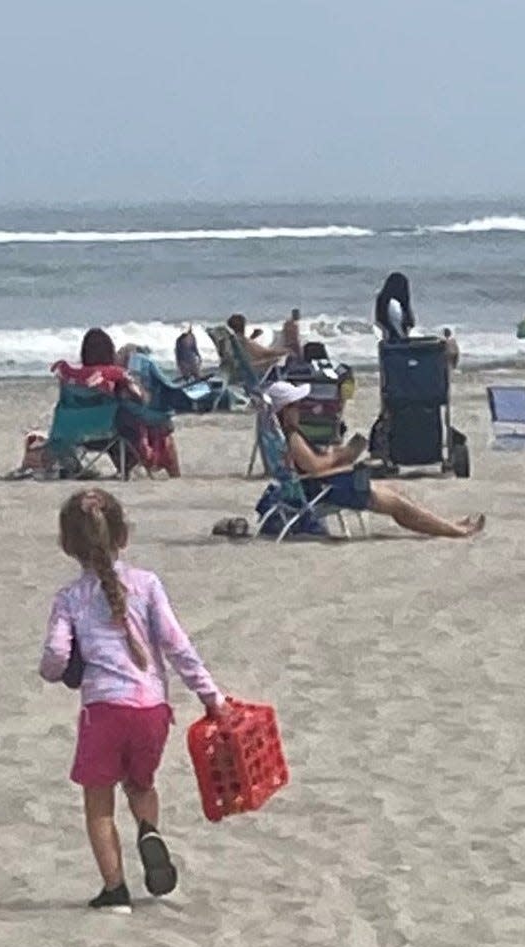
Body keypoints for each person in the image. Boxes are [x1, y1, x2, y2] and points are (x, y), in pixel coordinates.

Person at [39, 489, 228, 912]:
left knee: (98, 802)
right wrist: (211, 697)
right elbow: (178, 646)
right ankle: (148, 829)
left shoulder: (70, 599)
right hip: (153, 711)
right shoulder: (148, 585)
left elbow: (55, 656)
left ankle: (115, 890)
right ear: (123, 536)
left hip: (104, 711)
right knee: (141, 784)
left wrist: (53, 672)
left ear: (68, 545)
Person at [268, 381, 484, 538]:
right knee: (398, 504)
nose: (300, 409)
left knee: (397, 493)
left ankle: (448, 525)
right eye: (295, 405)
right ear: (285, 411)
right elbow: (314, 468)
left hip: (321, 485)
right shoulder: (293, 438)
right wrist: (341, 457)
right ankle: (454, 531)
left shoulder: (284, 436)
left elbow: (307, 467)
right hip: (326, 489)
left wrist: (340, 457)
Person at [52, 328, 181, 477]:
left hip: (77, 435)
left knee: (127, 419)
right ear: (110, 352)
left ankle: (126, 468)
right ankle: (174, 475)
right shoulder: (115, 374)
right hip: (110, 433)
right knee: (150, 424)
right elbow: (141, 398)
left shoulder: (70, 377)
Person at [375, 273, 415, 343]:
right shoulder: (396, 304)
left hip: (389, 339)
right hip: (399, 338)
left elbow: (379, 321)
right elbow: (410, 324)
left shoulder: (383, 299)